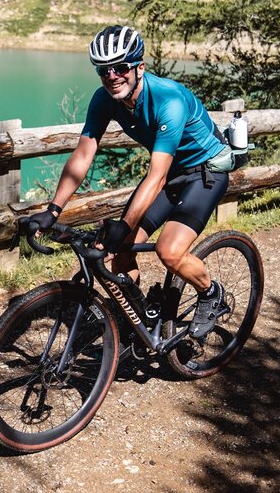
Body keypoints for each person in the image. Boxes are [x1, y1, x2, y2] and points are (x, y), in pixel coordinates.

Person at [28, 24, 235, 334]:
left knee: (169, 251)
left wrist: (123, 225)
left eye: (120, 67)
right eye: (103, 70)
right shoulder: (104, 99)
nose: (112, 75)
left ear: (139, 66)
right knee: (120, 251)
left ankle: (211, 294)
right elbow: (83, 155)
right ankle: (139, 316)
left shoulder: (169, 100)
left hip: (204, 174)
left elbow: (157, 174)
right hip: (170, 175)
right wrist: (53, 209)